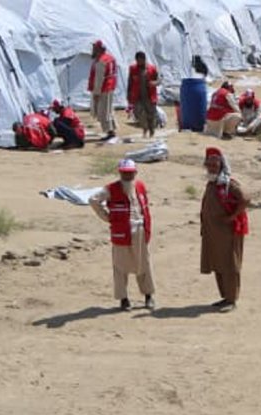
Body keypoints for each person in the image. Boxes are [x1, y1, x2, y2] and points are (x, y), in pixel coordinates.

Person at [89, 159, 155, 311]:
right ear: (120, 173)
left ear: (135, 172)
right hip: (121, 232)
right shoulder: (111, 189)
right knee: (120, 266)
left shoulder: (140, 186)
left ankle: (148, 296)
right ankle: (123, 299)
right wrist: (107, 217)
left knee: (144, 263)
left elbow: (145, 207)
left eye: (130, 173)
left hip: (139, 229)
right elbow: (93, 200)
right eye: (124, 173)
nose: (127, 176)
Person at [200, 148, 249, 313]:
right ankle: (225, 297)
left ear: (221, 165)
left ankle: (232, 299)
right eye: (209, 164)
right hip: (213, 233)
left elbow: (245, 199)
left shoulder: (228, 184)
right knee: (218, 264)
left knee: (230, 264)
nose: (212, 167)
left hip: (228, 233)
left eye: (215, 164)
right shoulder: (212, 183)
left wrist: (232, 217)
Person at [87, 40, 118, 140]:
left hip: (104, 88)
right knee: (108, 109)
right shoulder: (110, 58)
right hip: (109, 87)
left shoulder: (101, 61)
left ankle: (109, 131)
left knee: (103, 111)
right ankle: (112, 128)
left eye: (94, 48)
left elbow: (99, 79)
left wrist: (96, 92)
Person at [127, 51, 159, 138]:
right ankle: (145, 128)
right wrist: (128, 94)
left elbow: (159, 80)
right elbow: (130, 82)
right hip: (137, 96)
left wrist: (154, 83)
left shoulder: (152, 68)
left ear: (144, 59)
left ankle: (151, 130)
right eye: (137, 60)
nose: (139, 62)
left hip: (150, 95)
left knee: (151, 114)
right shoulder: (133, 69)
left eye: (140, 60)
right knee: (140, 113)